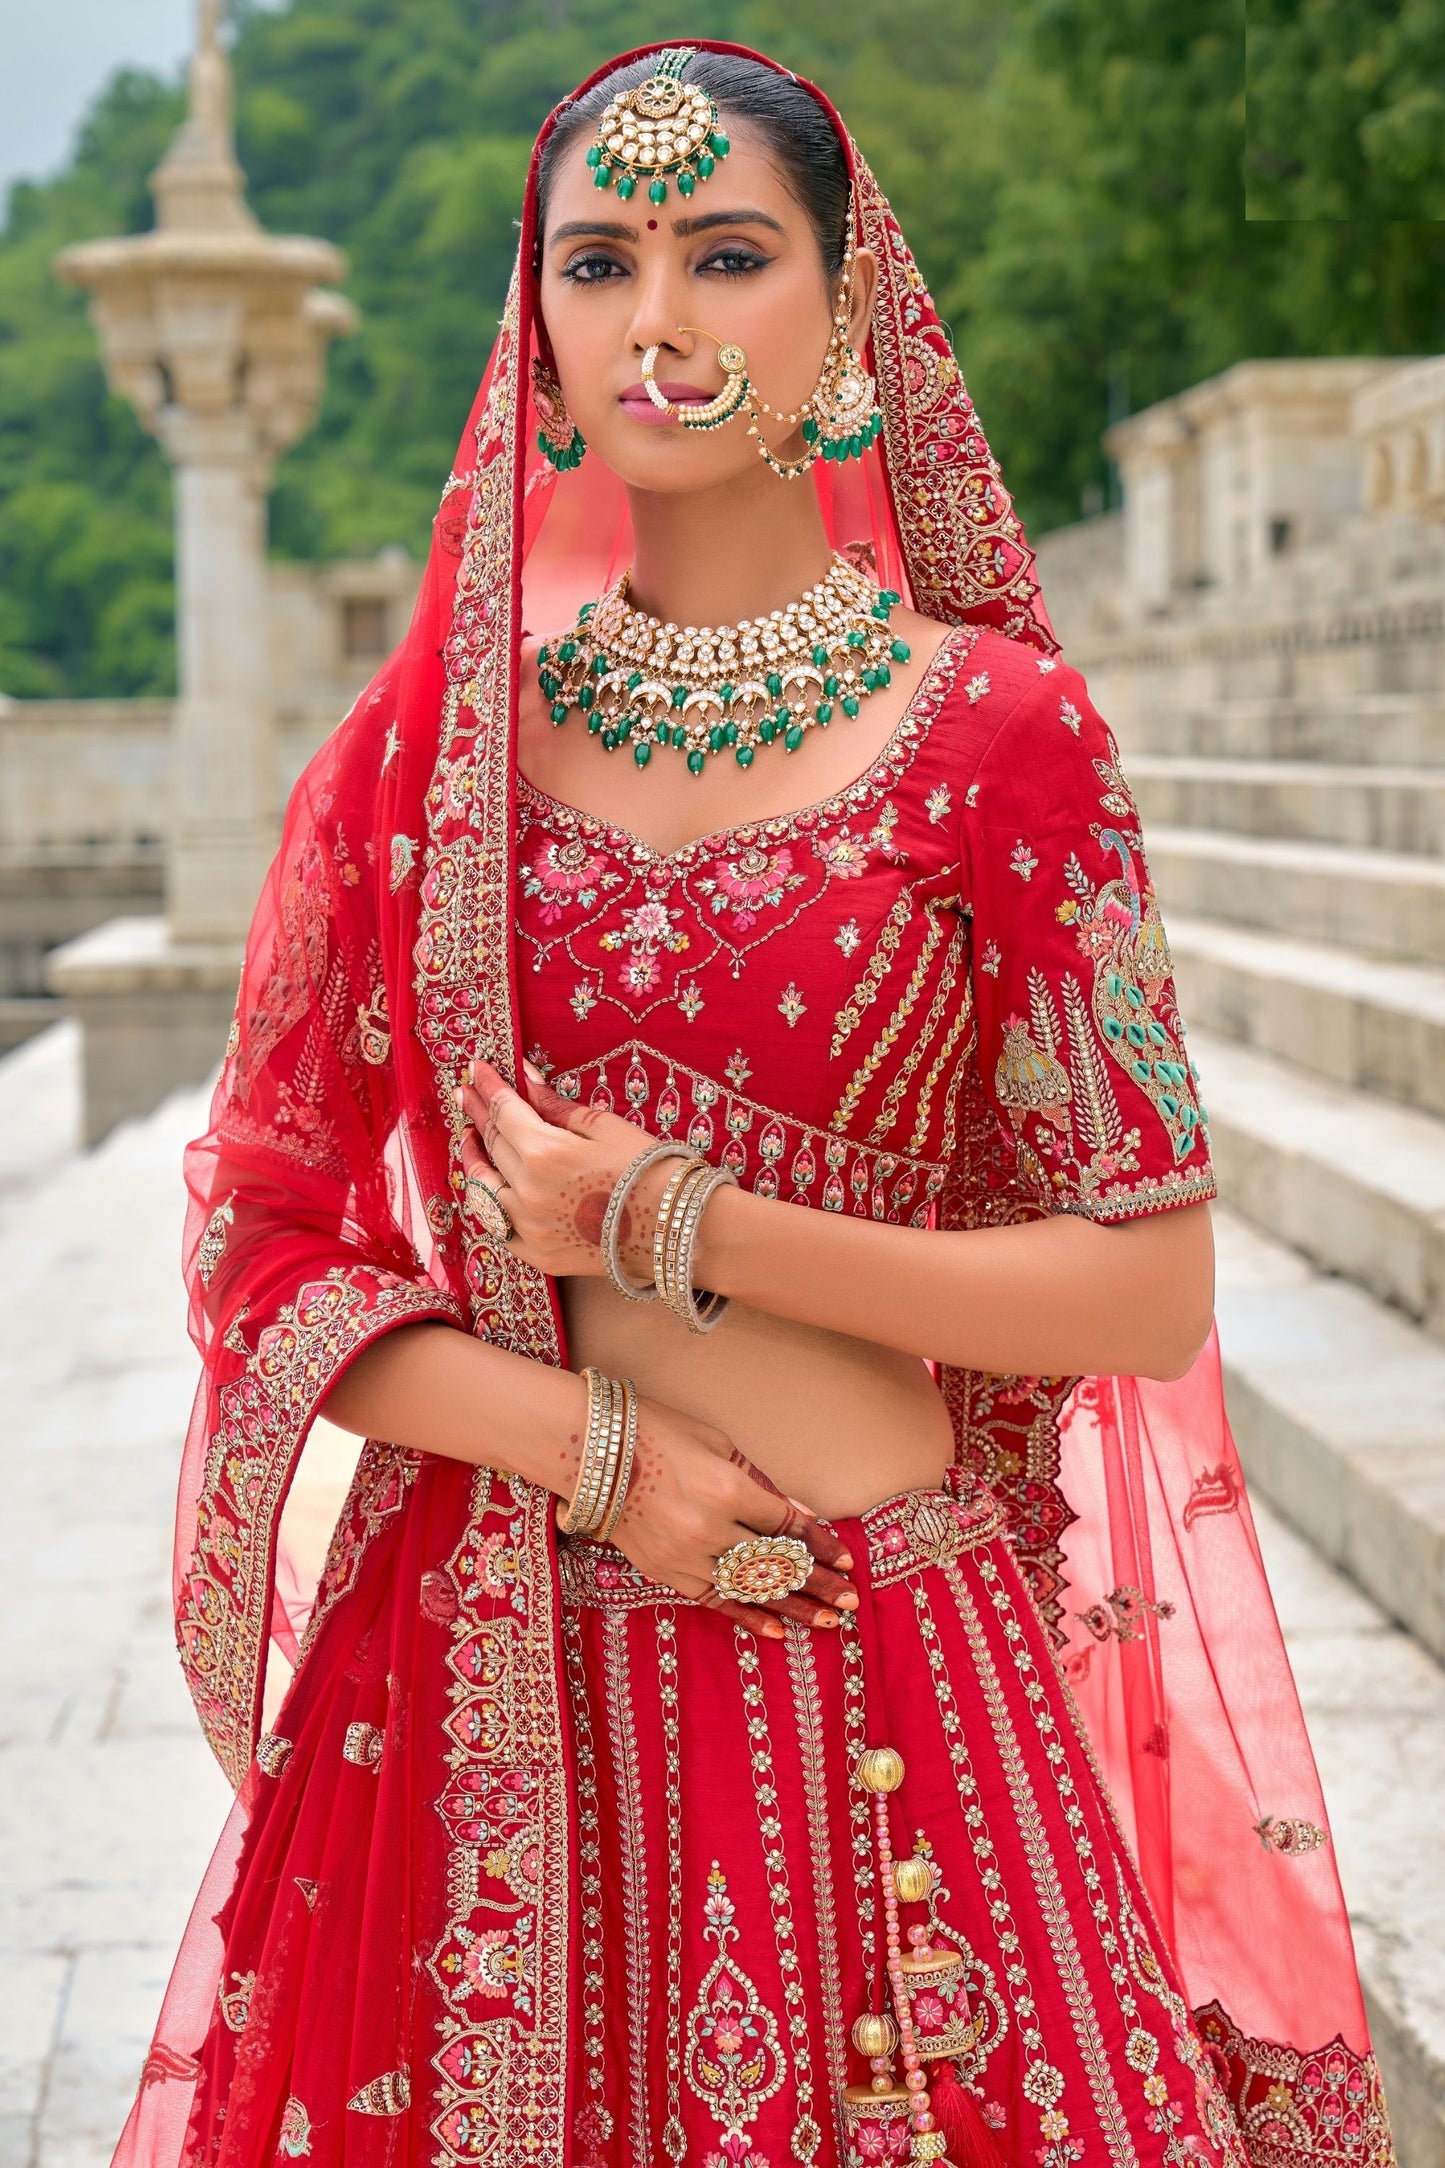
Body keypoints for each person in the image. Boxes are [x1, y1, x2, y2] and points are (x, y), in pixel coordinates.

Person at [115, 42, 1394, 2168]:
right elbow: (264, 1237)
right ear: (536, 328)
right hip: (485, 1694)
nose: (663, 323)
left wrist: (672, 1222)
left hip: (889, 1664)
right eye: (600, 264)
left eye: (727, 255)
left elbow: (1145, 1289)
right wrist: (600, 1452)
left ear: (851, 307)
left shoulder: (1002, 737)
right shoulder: (431, 759)